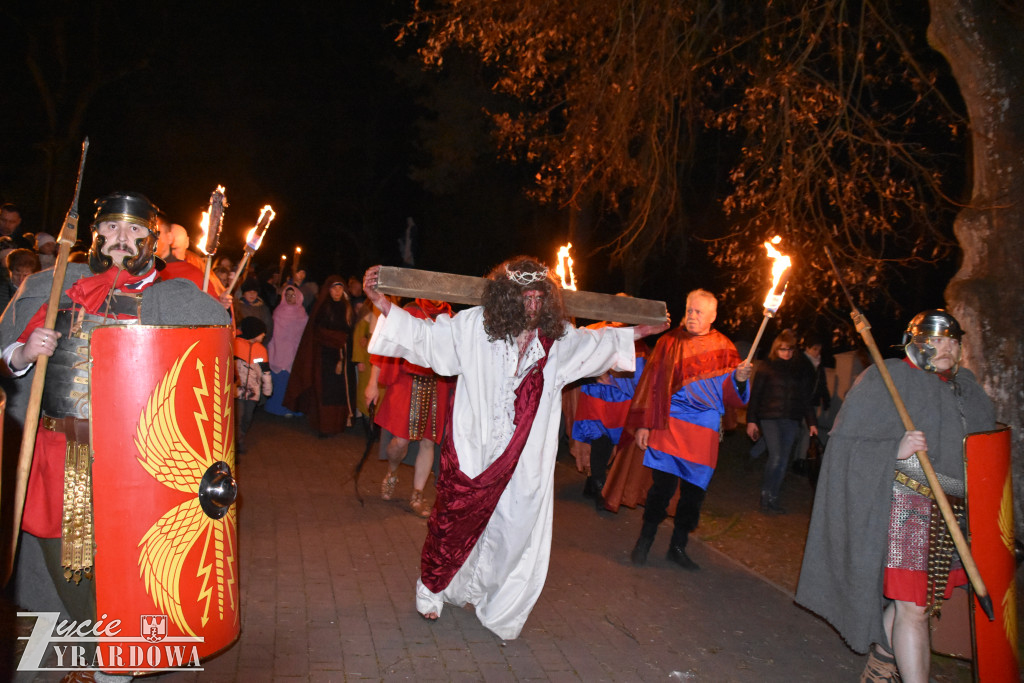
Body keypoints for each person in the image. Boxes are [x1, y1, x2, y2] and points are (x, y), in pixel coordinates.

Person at [362, 257, 668, 640]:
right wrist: (383, 304)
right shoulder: (476, 326)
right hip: (475, 448)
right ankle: (433, 588)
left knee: (515, 528)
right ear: (507, 297)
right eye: (526, 296)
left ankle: (495, 599)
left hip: (528, 456)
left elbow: (597, 344)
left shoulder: (558, 338)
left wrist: (640, 330)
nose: (534, 305)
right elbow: (428, 338)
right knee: (454, 523)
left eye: (541, 297)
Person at [0, 191, 230, 682]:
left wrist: (245, 367)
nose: (120, 239)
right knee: (62, 568)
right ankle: (85, 651)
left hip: (134, 468)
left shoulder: (178, 298)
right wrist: (23, 353)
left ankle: (110, 665)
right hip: (59, 454)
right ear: (95, 235)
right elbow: (8, 352)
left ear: (152, 241)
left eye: (134, 231)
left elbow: (207, 365)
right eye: (110, 229)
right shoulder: (56, 285)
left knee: (125, 568)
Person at [795, 311, 994, 683]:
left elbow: (985, 453)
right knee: (914, 608)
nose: (946, 348)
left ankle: (882, 660)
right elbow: (843, 444)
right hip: (909, 509)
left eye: (952, 341)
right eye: (937, 340)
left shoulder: (966, 386)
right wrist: (894, 449)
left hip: (953, 512)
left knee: (920, 603)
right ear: (917, 342)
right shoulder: (888, 377)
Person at [623, 289, 752, 570]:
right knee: (662, 489)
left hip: (704, 429)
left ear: (713, 316)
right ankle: (645, 540)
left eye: (699, 312)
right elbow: (650, 385)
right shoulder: (669, 342)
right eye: (690, 310)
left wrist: (739, 380)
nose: (692, 315)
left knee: (694, 494)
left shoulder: (725, 348)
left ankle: (677, 546)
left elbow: (731, 396)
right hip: (669, 424)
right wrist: (645, 423)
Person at [367, 299, 455, 517]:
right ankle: (393, 470)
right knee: (399, 443)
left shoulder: (450, 318)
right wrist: (372, 383)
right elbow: (386, 344)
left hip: (437, 385)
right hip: (407, 383)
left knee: (428, 443)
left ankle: (417, 494)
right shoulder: (410, 311)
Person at [745, 329, 818, 514]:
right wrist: (751, 421)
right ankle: (765, 494)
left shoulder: (798, 370)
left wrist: (812, 423)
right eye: (783, 349)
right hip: (770, 418)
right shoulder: (766, 367)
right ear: (776, 349)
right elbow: (756, 396)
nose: (787, 353)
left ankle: (773, 498)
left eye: (790, 349)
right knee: (776, 456)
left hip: (791, 419)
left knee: (783, 461)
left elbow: (805, 398)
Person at [283, 275, 354, 436]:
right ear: (328, 290)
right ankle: (323, 426)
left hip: (342, 355)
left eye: (340, 288)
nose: (337, 291)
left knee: (339, 392)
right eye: (334, 288)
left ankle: (337, 425)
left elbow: (350, 331)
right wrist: (338, 338)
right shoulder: (322, 307)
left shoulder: (347, 308)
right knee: (324, 391)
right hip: (324, 356)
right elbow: (317, 332)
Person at [264, 283, 307, 416]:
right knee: (280, 382)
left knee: (293, 383)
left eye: (293, 295)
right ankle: (277, 408)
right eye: (287, 295)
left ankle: (293, 408)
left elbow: (304, 335)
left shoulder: (303, 315)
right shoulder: (278, 312)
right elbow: (273, 333)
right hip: (279, 352)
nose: (290, 298)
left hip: (295, 353)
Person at [234, 317, 273, 453]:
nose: (264, 335)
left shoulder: (261, 350)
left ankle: (241, 436)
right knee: (238, 418)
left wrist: (267, 390)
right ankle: (238, 442)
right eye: (261, 332)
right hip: (236, 391)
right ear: (254, 332)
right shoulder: (235, 345)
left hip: (253, 392)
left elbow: (265, 372)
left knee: (247, 417)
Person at [234, 276, 274, 344]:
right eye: (249, 292)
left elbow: (269, 327)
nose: (252, 294)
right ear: (244, 293)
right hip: (241, 343)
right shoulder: (238, 307)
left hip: (258, 344)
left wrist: (262, 341)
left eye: (254, 292)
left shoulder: (263, 308)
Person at [1, 247, 41, 312]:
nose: (21, 279)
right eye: (17, 275)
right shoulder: (3, 291)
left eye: (25, 275)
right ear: (10, 272)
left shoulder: (38, 290)